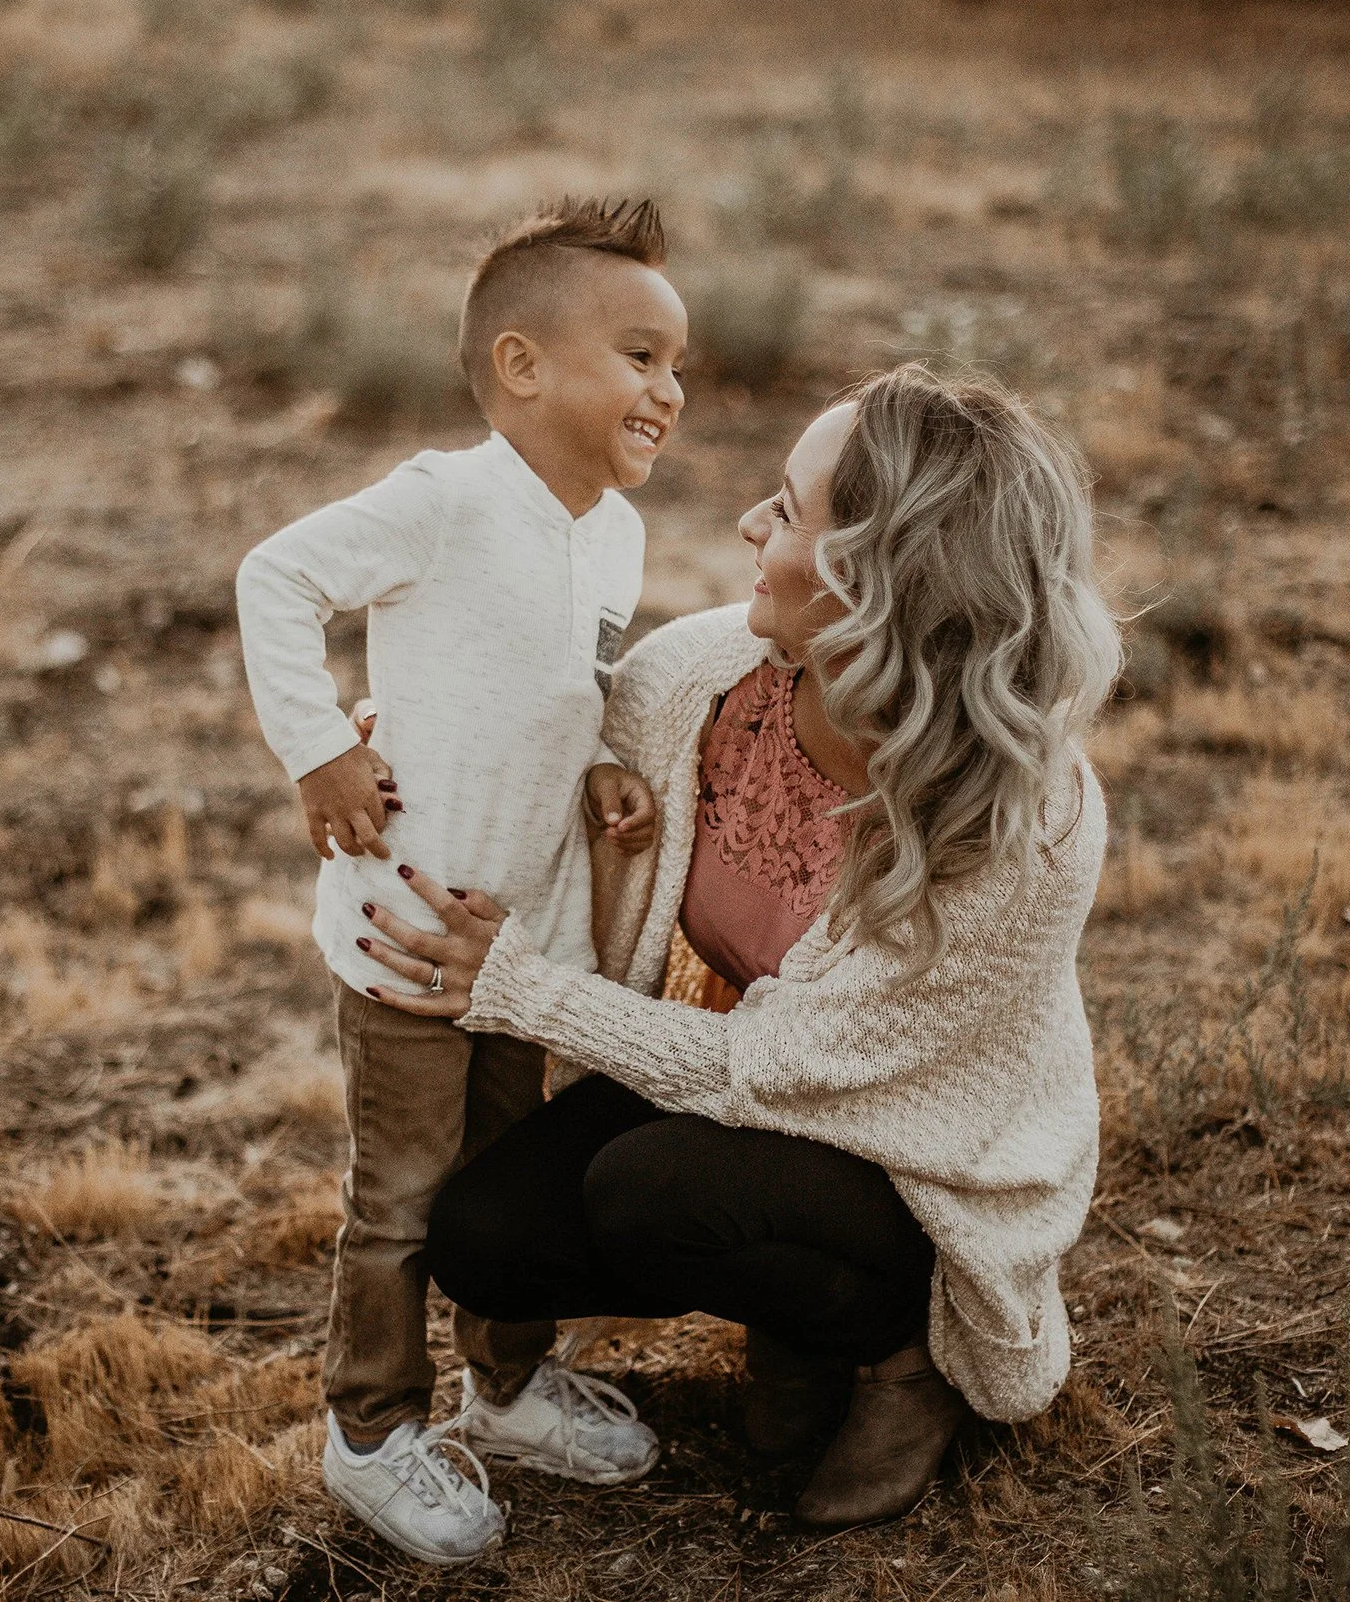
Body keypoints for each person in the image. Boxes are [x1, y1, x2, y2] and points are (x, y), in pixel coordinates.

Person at [353, 363, 1120, 1531]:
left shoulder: (1027, 824)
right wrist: (416, 735)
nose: (751, 523)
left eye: (786, 505)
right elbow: (550, 732)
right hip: (748, 1091)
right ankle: (796, 1319)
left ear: (876, 579)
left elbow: (773, 1064)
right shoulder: (699, 678)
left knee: (656, 1189)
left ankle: (899, 1350)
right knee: (485, 1236)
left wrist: (520, 991)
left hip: (922, 1148)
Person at [234, 197, 683, 1564]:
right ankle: (369, 1428)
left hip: (516, 938)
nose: (669, 390)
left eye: (679, 367)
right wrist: (319, 749)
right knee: (407, 1193)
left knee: (502, 1186)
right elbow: (275, 575)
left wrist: (607, 761)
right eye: (642, 355)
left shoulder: (612, 536)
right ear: (523, 365)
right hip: (407, 920)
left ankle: (505, 1381)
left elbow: (568, 686)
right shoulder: (445, 498)